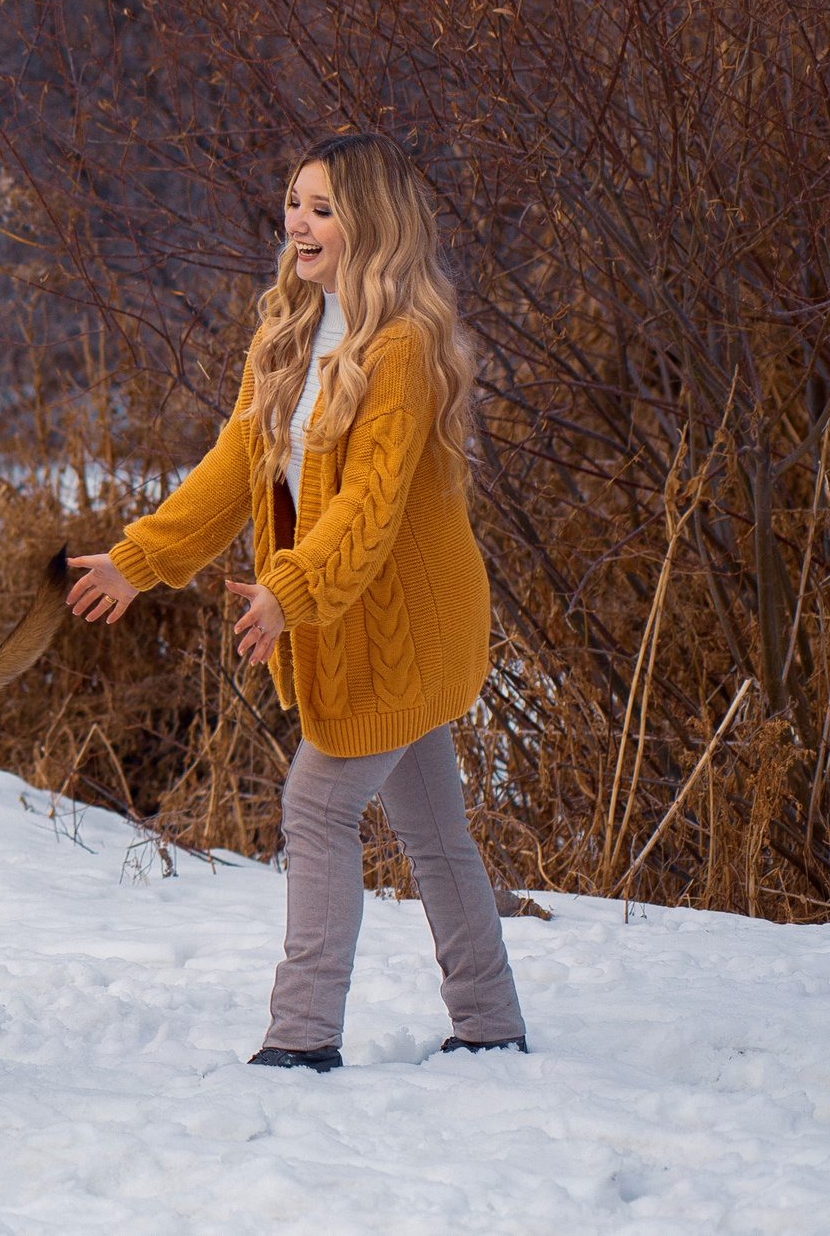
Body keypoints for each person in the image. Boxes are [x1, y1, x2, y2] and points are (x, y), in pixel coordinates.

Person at [64, 132, 528, 1072]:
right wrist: (137, 559)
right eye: (293, 202)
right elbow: (237, 467)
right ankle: (489, 1022)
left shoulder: (402, 348)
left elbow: (369, 506)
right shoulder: (291, 329)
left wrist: (287, 588)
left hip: (408, 625)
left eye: (322, 207)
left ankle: (302, 1036)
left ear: (374, 225)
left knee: (315, 804)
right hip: (353, 620)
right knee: (435, 829)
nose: (298, 223)